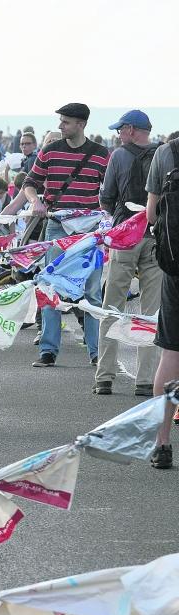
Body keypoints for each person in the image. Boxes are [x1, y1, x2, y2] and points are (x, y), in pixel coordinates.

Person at [23, 103, 110, 368]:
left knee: (92, 293)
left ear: (81, 124)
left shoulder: (100, 154)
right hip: (57, 227)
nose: (60, 126)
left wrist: (105, 216)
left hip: (90, 231)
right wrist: (35, 201)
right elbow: (30, 183)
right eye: (61, 121)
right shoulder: (49, 151)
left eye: (66, 122)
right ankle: (48, 351)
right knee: (52, 288)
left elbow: (109, 191)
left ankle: (97, 353)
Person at [95, 110, 161, 397]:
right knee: (152, 311)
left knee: (112, 306)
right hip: (157, 237)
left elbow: (107, 197)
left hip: (125, 237)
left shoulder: (119, 156)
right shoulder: (165, 154)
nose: (118, 134)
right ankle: (145, 378)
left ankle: (104, 376)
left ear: (132, 130)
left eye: (121, 129)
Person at [148, 135, 179, 469]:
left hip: (177, 269)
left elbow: (152, 214)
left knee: (171, 353)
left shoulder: (167, 152)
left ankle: (163, 443)